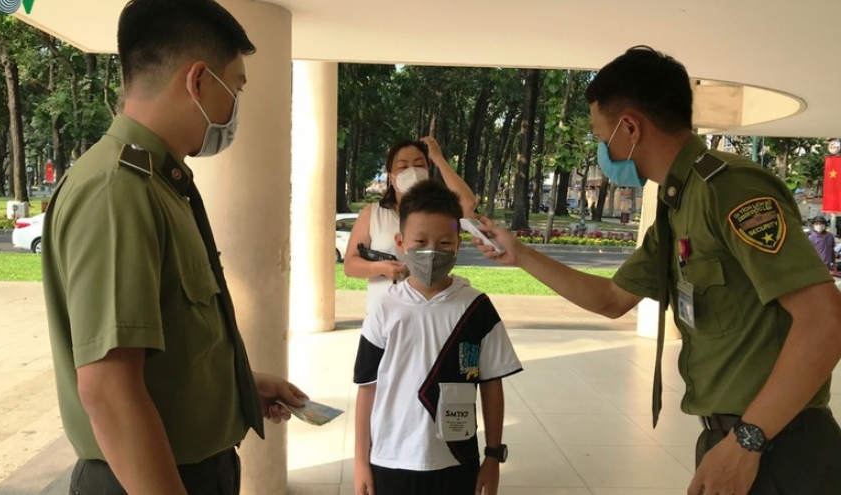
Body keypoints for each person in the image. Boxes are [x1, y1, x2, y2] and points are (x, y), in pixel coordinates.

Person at [472, 46, 841, 495]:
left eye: (600, 134)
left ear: (630, 127)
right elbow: (612, 300)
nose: (601, 149)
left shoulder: (729, 188)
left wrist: (748, 441)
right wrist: (521, 255)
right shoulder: (676, 204)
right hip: (737, 439)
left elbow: (825, 320)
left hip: (777, 444)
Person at [40, 1, 307, 493]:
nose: (235, 107)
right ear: (198, 80)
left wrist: (237, 385)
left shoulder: (159, 185)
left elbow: (169, 347)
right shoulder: (118, 192)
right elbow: (109, 390)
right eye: (236, 88)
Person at [353, 180, 522, 495]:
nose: (432, 251)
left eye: (444, 242)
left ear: (458, 244)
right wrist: (361, 462)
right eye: (420, 241)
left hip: (457, 460)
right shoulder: (384, 307)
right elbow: (367, 387)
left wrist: (493, 456)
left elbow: (492, 384)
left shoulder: (477, 308)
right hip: (390, 459)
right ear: (400, 242)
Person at [343, 137, 477, 314]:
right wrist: (381, 268)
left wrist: (438, 159)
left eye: (419, 165)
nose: (412, 171)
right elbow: (350, 266)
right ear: (391, 176)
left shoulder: (439, 213)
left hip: (432, 311)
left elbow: (467, 203)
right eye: (403, 167)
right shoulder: (373, 214)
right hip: (384, 315)